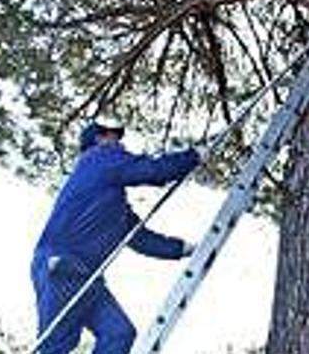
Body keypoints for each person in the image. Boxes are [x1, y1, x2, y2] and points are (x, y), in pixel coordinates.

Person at [31, 119, 201, 354]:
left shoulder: (113, 205)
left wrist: (185, 249)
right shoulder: (97, 158)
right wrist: (193, 156)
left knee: (118, 333)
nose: (119, 144)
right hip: (63, 265)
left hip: (87, 274)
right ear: (98, 140)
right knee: (58, 344)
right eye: (112, 137)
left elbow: (139, 238)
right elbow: (153, 170)